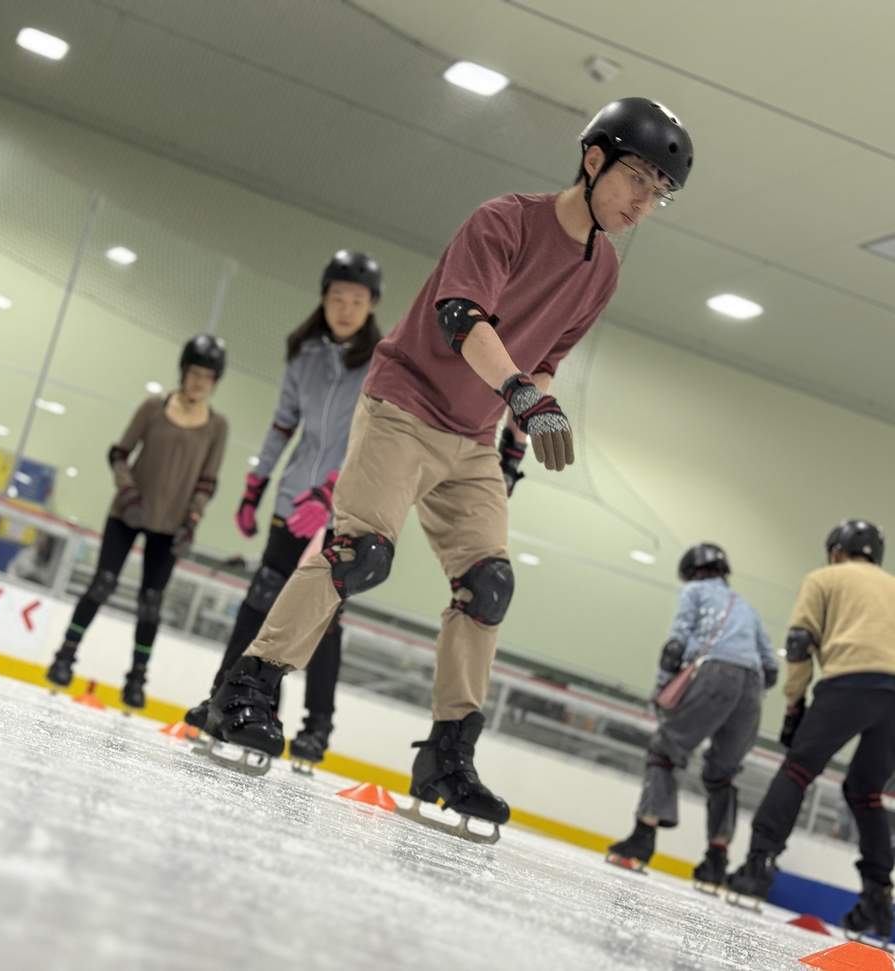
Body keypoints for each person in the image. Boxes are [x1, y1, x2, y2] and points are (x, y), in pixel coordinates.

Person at [204, 98, 693, 840]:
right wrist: (522, 394)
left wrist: (519, 433)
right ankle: (248, 686)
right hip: (405, 403)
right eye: (636, 179)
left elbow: (545, 362)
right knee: (359, 553)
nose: (641, 203)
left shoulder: (601, 274)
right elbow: (460, 318)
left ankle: (447, 755)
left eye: (657, 193)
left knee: (488, 583)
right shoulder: (504, 219)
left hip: (473, 434)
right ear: (593, 158)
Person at [183, 250, 383, 769]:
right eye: (337, 298)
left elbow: (373, 440)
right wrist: (255, 484)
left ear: (371, 307)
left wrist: (332, 493)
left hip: (344, 508)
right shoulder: (304, 356)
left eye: (357, 301)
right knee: (262, 600)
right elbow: (283, 424)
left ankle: (316, 729)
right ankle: (228, 697)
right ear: (323, 299)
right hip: (294, 496)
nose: (345, 308)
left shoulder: (381, 364)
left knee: (323, 616)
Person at [727, 520, 895, 944]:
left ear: (836, 550)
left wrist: (794, 702)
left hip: (850, 681)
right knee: (866, 792)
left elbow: (801, 641)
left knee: (799, 770)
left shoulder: (824, 578)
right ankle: (878, 895)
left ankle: (758, 864)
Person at [46, 335, 229, 710]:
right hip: (128, 513)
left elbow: (208, 479)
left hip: (172, 523)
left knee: (151, 602)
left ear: (215, 382)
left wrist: (192, 518)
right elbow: (119, 453)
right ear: (183, 371)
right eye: (194, 373)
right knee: (103, 584)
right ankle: (64, 656)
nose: (198, 383)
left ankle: (135, 680)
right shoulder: (153, 408)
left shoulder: (217, 427)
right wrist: (128, 492)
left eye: (207, 377)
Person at [604, 543, 777, 892]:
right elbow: (771, 668)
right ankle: (716, 861)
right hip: (752, 685)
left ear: (691, 571)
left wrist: (663, 691)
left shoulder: (694, 591)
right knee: (722, 774)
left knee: (665, 750)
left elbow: (676, 645)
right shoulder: (746, 606)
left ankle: (643, 836)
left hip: (715, 671)